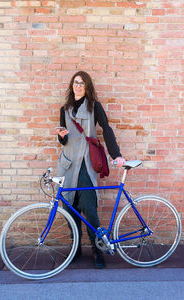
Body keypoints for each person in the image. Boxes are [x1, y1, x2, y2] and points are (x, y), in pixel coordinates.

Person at [56, 71, 125, 268]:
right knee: (69, 206)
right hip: (67, 164)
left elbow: (106, 129)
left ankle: (97, 248)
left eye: (82, 83)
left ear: (87, 87)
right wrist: (61, 136)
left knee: (88, 206)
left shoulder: (95, 106)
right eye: (75, 82)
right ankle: (75, 247)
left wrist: (116, 155)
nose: (78, 86)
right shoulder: (65, 109)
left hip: (86, 163)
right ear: (71, 85)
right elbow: (64, 140)